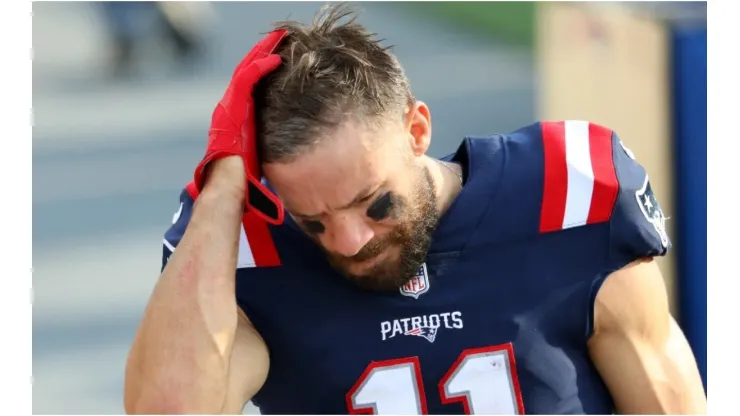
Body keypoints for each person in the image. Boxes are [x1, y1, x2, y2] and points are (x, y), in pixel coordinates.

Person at [124, 4, 707, 414]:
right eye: (314, 222)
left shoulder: (568, 195)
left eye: (372, 202)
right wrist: (224, 185)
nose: (349, 240)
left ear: (417, 128)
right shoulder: (251, 250)